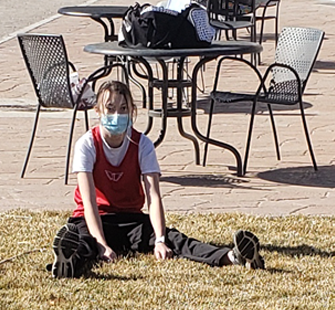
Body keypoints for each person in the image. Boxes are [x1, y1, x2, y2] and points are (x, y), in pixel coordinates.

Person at [49, 82, 264, 278]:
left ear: (132, 112)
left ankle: (233, 257)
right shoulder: (86, 144)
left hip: (131, 219)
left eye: (123, 109)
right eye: (110, 108)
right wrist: (102, 244)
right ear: (98, 111)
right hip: (92, 219)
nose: (117, 114)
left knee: (176, 239)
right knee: (84, 244)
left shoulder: (142, 144)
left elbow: (153, 196)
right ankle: (66, 263)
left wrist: (160, 239)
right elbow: (88, 202)